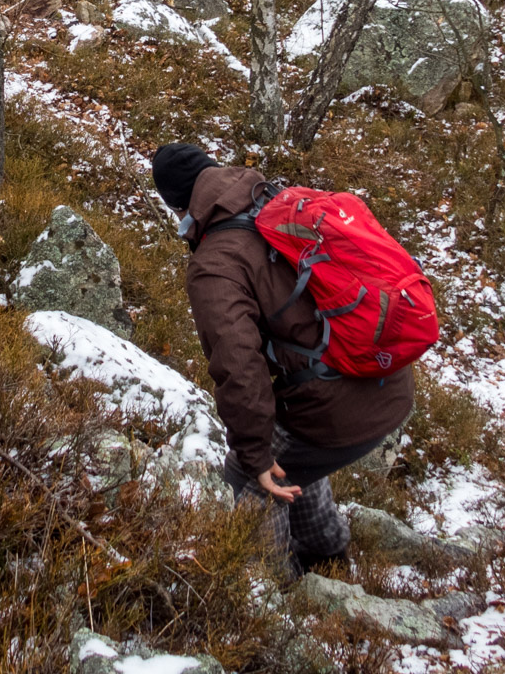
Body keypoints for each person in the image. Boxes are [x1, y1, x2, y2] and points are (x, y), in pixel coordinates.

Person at [152, 142, 415, 575]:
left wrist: (254, 455)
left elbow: (238, 364)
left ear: (179, 205)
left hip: (345, 406)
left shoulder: (214, 264)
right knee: (291, 446)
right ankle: (326, 552)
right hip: (388, 374)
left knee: (252, 476)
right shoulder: (278, 200)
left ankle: (273, 590)